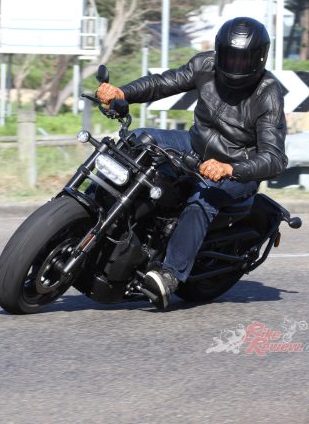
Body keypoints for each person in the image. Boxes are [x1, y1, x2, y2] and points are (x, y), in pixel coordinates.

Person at [96, 17, 288, 309]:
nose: (235, 64)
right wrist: (123, 93)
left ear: (259, 58)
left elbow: (275, 158)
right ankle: (96, 205)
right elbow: (163, 83)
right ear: (219, 52)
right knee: (137, 139)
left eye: (243, 58)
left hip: (238, 168)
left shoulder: (267, 93)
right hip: (195, 146)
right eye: (230, 56)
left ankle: (170, 274)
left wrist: (230, 169)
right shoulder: (205, 66)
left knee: (203, 199)